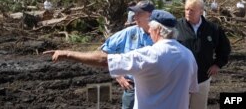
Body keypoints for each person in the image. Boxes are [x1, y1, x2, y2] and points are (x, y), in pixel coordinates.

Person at [43, 9, 198, 109]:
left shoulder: (149, 55)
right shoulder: (188, 55)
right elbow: (191, 91)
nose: (149, 31)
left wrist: (68, 54)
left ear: (157, 30)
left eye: (151, 28)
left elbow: (105, 60)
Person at [176, 0, 231, 109]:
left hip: (202, 78)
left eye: (192, 10)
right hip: (181, 79)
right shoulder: (176, 27)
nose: (188, 12)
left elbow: (225, 48)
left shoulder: (213, 28)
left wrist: (217, 64)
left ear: (201, 11)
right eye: (186, 9)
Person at [102, 0, 154, 109]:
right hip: (132, 88)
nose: (135, 17)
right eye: (134, 14)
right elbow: (105, 50)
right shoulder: (129, 32)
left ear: (150, 15)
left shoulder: (161, 35)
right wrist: (118, 76)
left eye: (139, 14)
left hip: (155, 88)